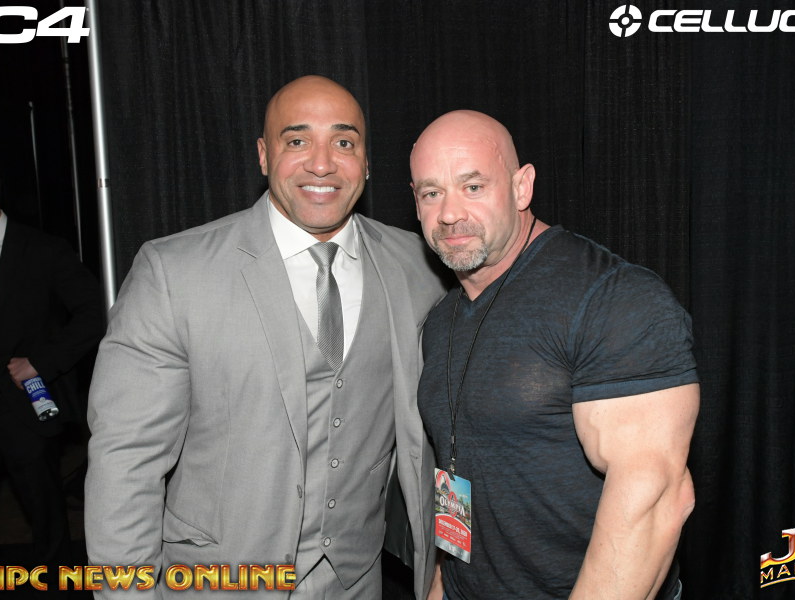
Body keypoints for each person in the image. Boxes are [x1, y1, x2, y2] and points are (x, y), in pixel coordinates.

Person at [85, 75, 445, 599]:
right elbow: (125, 463)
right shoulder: (174, 272)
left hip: (357, 581)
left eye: (344, 143)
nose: (321, 163)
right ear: (262, 154)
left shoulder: (419, 267)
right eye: (297, 140)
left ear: (366, 161)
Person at [409, 111, 700, 600]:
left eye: (473, 187)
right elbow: (458, 473)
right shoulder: (441, 321)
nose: (450, 213)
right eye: (431, 193)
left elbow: (655, 502)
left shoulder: (615, 298)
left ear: (521, 187)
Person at [0, 160, 104, 571]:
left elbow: (93, 315)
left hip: (22, 404)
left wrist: (40, 362)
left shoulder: (42, 250)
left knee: (44, 514)